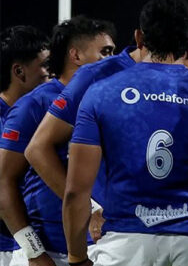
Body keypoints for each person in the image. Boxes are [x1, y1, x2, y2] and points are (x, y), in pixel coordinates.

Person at [61, 0, 188, 266]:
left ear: (138, 37)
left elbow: (76, 191)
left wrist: (76, 257)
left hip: (123, 243)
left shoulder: (101, 92)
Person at [0, 16, 115, 266]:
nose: (112, 61)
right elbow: (3, 182)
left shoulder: (108, 101)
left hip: (99, 248)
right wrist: (34, 252)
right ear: (75, 55)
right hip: (49, 252)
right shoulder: (33, 105)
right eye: (105, 52)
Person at [0, 26, 50, 265]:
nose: (51, 74)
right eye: (46, 66)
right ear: (19, 71)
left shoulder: (41, 118)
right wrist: (34, 250)